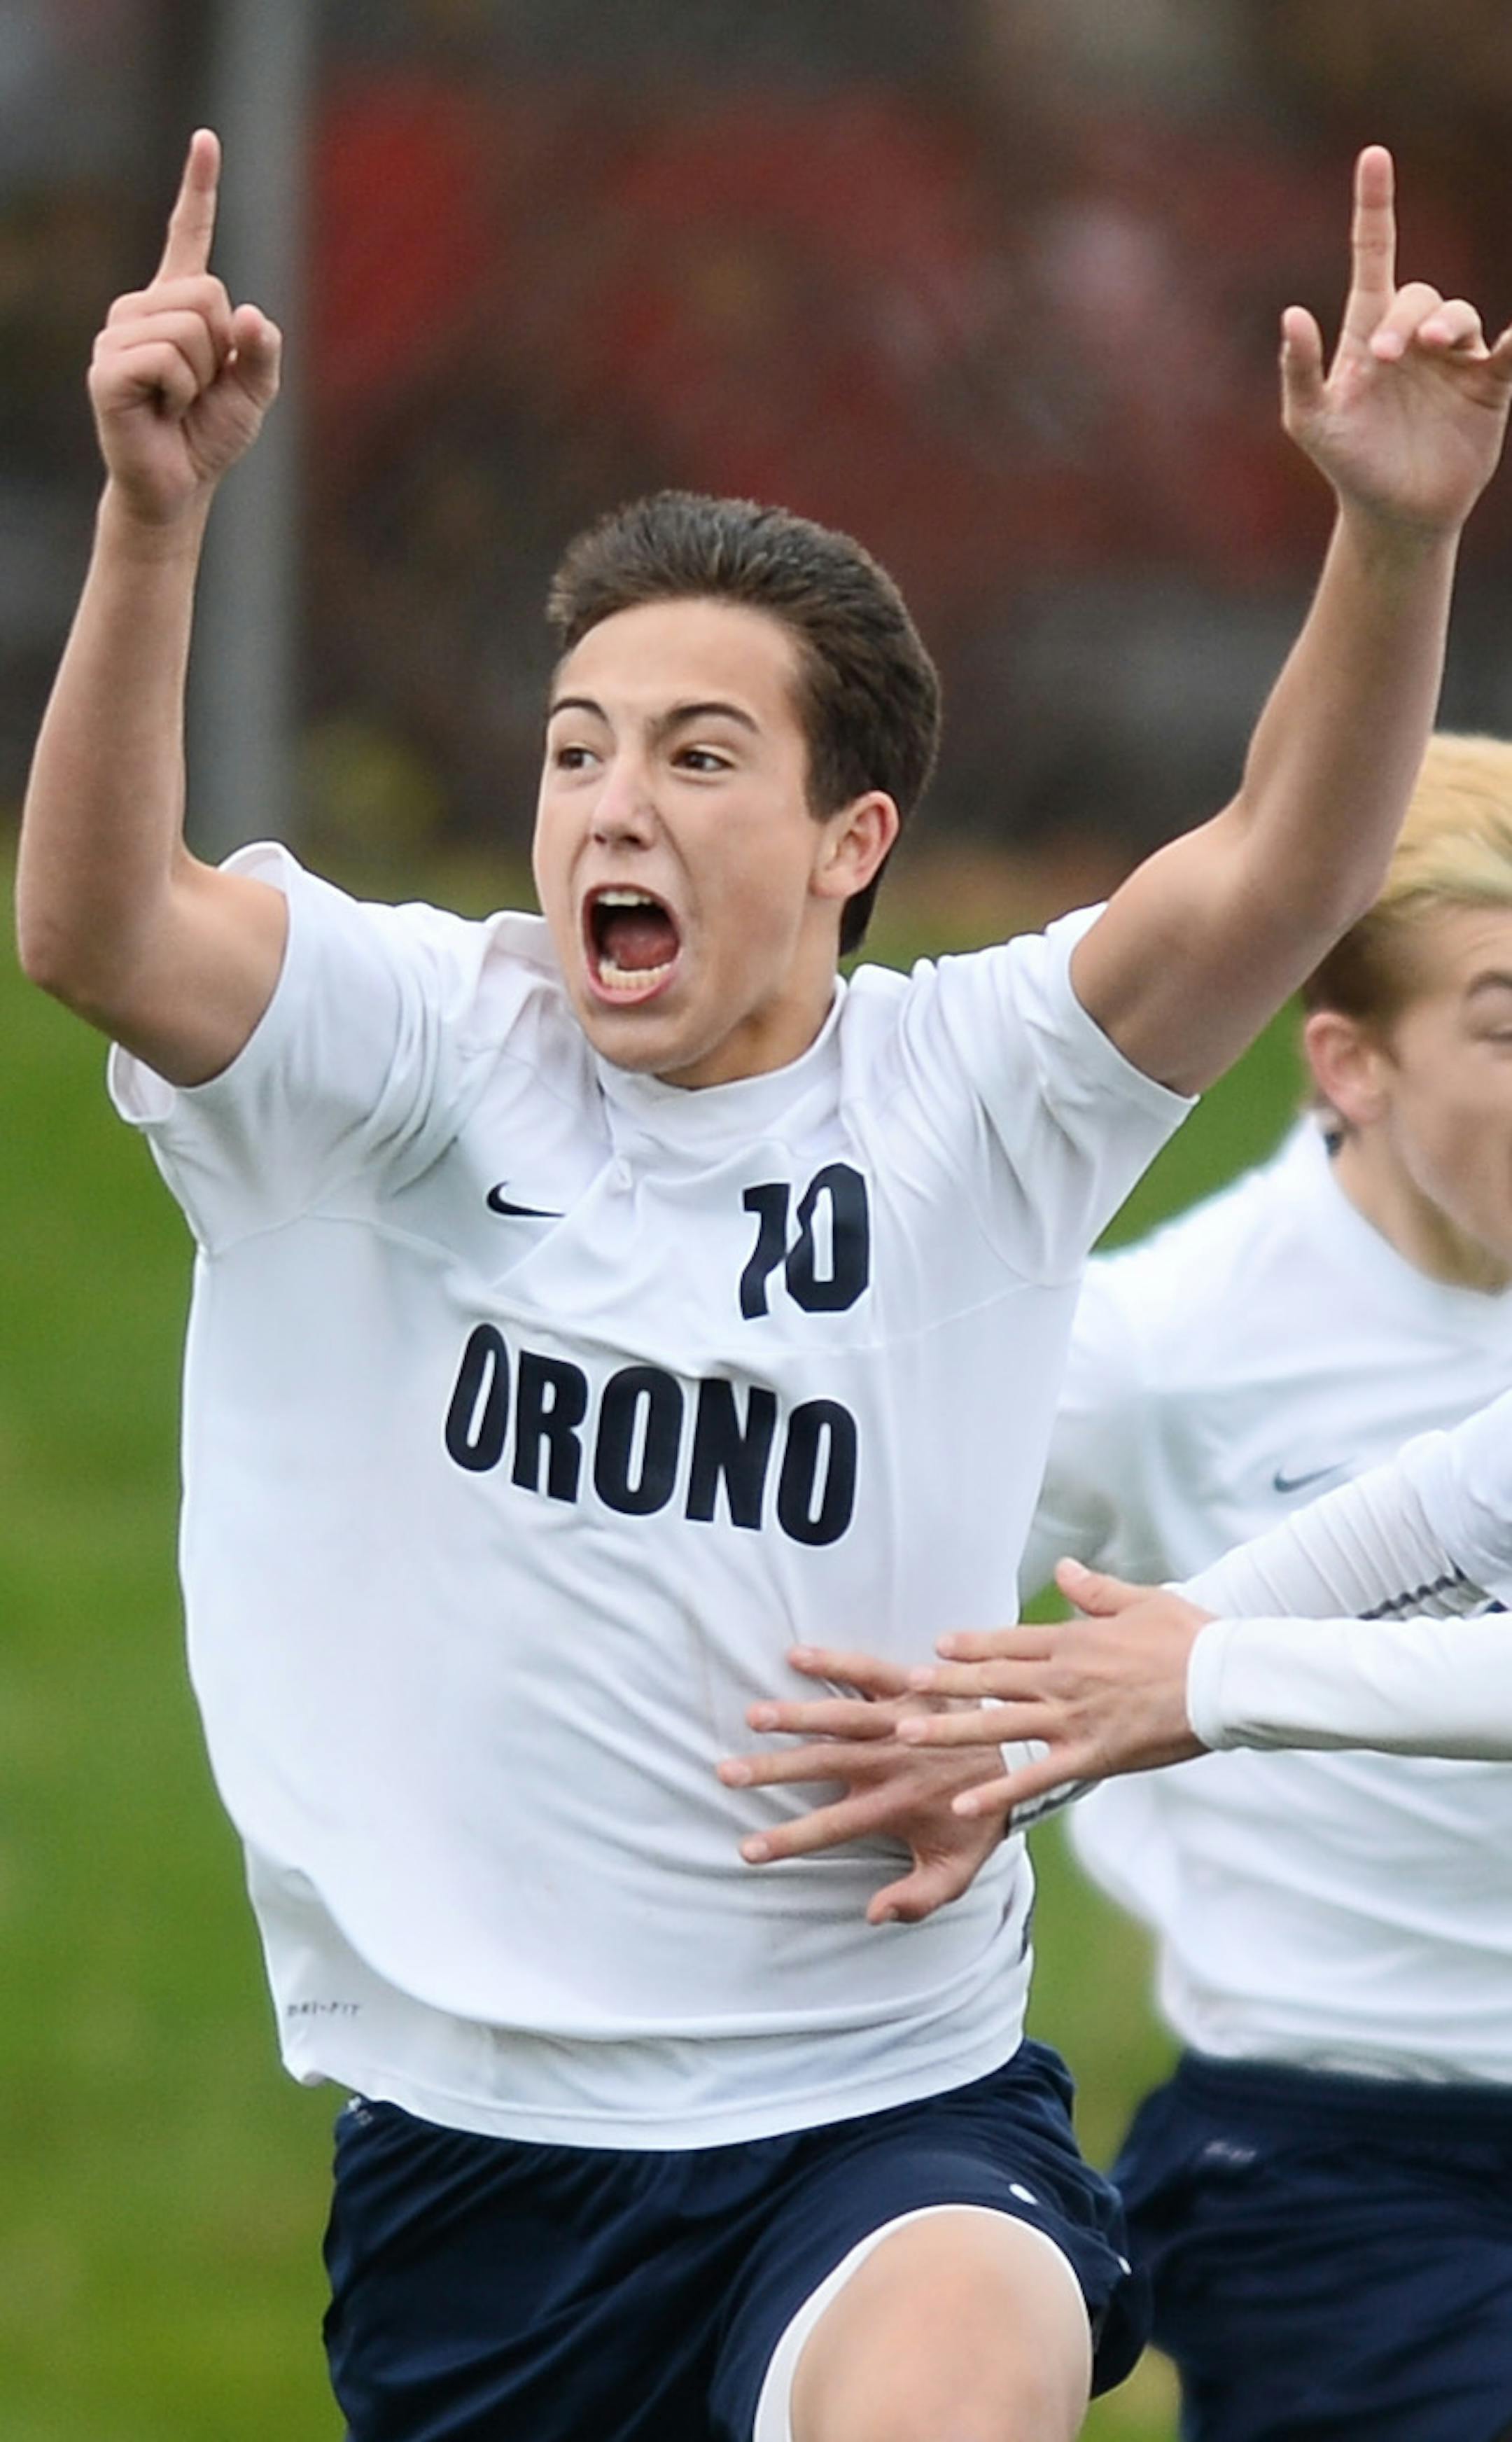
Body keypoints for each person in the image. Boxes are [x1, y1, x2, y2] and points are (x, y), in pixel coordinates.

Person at [16, 124, 1512, 2442]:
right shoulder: (419, 1044)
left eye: (702, 755)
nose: (615, 802)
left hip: (887, 2098)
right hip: (480, 2147)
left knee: (957, 2383)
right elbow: (100, 931)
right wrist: (151, 522)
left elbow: (1276, 866)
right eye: (578, 749)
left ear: (849, 841)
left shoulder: (976, 1090)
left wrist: (1394, 534)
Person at [740, 741, 1512, 2441]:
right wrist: (1008, 1754)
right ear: (1349, 1066)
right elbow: (1441, 1514)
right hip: (1345, 2146)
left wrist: (1207, 1678)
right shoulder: (1164, 1342)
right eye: (1510, 1024)